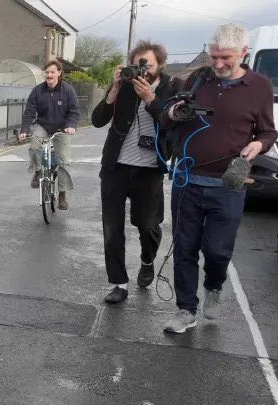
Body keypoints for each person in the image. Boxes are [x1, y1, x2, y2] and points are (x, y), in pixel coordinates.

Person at [160, 23, 276, 334]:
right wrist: (173, 112)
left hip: (227, 185)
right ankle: (186, 310)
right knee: (184, 248)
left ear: (244, 53)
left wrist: (259, 144)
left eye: (227, 58)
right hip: (187, 180)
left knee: (217, 250)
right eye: (214, 57)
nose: (219, 64)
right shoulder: (198, 78)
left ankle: (214, 285)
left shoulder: (260, 86)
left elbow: (268, 131)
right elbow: (166, 114)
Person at [91, 41, 180, 305]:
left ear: (160, 65)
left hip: (149, 170)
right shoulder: (125, 85)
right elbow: (97, 120)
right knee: (112, 228)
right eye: (137, 64)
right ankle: (118, 283)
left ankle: (147, 259)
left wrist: (150, 99)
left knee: (148, 224)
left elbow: (173, 124)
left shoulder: (172, 88)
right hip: (115, 167)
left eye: (147, 65)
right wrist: (114, 89)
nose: (142, 70)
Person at [18, 60, 79, 210]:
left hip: (62, 128)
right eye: (47, 72)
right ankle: (38, 171)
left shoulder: (68, 90)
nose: (49, 75)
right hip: (43, 125)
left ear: (59, 73)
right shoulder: (37, 90)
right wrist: (24, 130)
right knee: (34, 146)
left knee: (63, 161)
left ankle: (62, 195)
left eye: (52, 72)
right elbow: (29, 112)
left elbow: (74, 111)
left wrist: (71, 126)